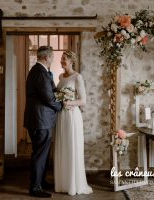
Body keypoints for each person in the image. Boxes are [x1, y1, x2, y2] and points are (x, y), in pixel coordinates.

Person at [24, 46, 63, 198]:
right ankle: (35, 187)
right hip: (40, 120)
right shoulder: (40, 72)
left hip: (39, 119)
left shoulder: (38, 71)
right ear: (46, 58)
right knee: (40, 154)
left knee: (42, 154)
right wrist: (61, 106)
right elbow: (48, 98)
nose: (53, 59)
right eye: (52, 57)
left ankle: (40, 181)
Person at [54, 50, 93, 195]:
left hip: (71, 115)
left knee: (71, 147)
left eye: (64, 59)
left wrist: (69, 102)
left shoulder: (77, 77)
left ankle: (73, 184)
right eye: (61, 59)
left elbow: (83, 100)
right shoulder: (60, 76)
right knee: (63, 147)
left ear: (71, 61)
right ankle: (62, 183)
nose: (62, 61)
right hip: (61, 116)